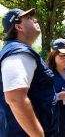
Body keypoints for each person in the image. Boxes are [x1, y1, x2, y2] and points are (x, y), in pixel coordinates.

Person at [0, 8, 58, 137]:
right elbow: (15, 98)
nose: (35, 19)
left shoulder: (19, 51)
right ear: (18, 26)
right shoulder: (18, 53)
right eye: (29, 18)